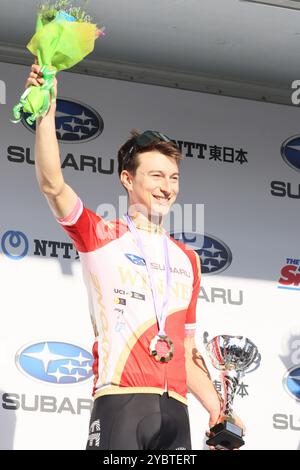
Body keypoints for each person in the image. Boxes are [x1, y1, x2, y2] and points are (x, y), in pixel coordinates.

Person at [26, 63, 245, 450]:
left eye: (173, 177)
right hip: (121, 404)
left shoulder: (187, 259)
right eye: (156, 176)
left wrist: (216, 409)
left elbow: (189, 350)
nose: (167, 187)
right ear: (128, 179)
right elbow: (52, 183)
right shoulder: (101, 235)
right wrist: (46, 113)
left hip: (177, 414)